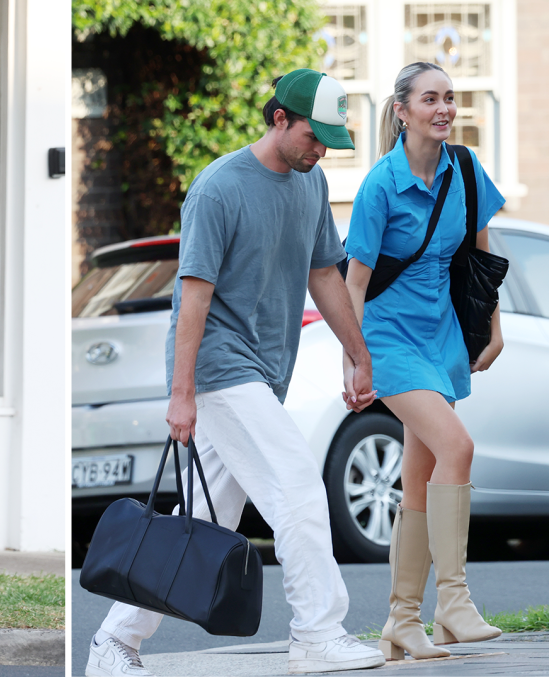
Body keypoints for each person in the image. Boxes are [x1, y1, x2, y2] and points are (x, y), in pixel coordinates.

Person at [85, 69, 387, 677]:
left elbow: (324, 274)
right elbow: (192, 296)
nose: (321, 148)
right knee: (299, 484)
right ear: (279, 118)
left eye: (329, 139)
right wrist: (181, 393)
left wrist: (358, 353)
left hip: (265, 372)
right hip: (223, 369)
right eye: (313, 134)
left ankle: (113, 643)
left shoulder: (311, 182)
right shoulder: (219, 189)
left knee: (202, 521)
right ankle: (317, 632)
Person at [344, 62, 505, 662]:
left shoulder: (463, 168)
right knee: (456, 448)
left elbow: (484, 256)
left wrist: (493, 327)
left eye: (449, 98)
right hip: (387, 338)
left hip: (440, 338)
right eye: (429, 99)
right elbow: (354, 284)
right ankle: (454, 601)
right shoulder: (379, 186)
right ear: (401, 111)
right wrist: (353, 360)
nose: (443, 108)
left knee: (419, 480)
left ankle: (402, 621)